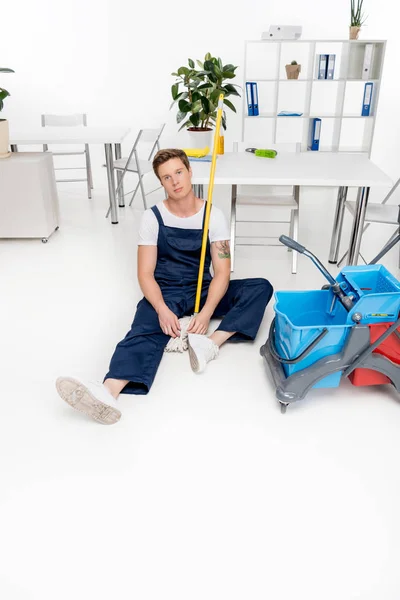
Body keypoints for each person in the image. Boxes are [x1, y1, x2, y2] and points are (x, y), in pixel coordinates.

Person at [56, 149, 273, 425]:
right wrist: (161, 309)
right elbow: (145, 273)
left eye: (179, 172)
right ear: (161, 182)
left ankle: (210, 344)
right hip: (166, 290)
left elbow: (221, 273)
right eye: (167, 177)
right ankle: (108, 391)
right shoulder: (152, 217)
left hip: (202, 288)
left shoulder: (213, 216)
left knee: (260, 287)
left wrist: (205, 314)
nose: (175, 181)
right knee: (143, 328)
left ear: (190, 172)